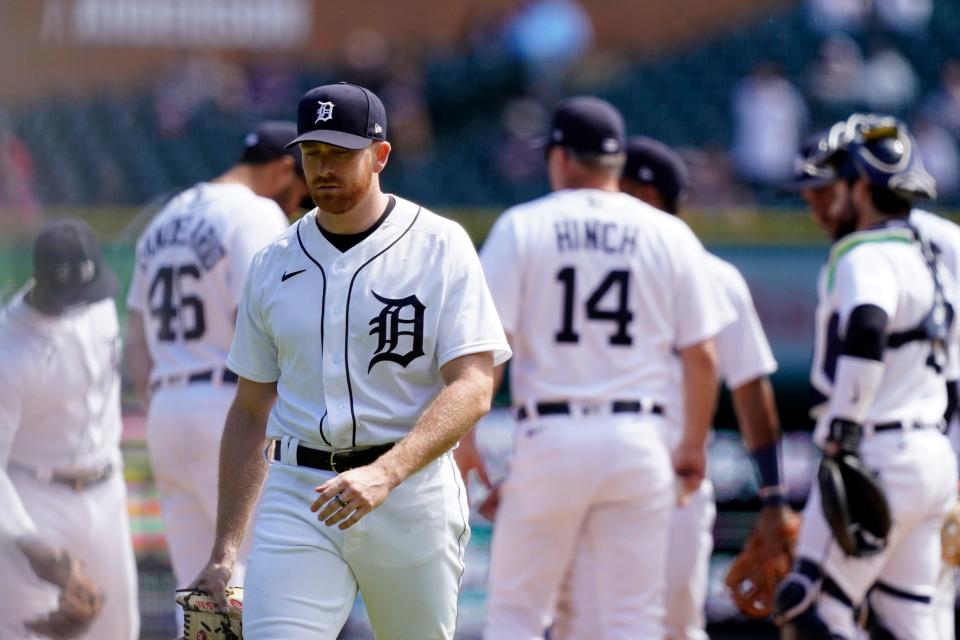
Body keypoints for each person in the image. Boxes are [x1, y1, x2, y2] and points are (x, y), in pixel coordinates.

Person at [191, 82, 511, 639]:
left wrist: (388, 471)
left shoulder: (440, 244)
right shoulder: (272, 261)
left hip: (410, 491)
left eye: (340, 153)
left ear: (380, 154)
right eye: (312, 153)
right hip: (299, 494)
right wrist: (225, 549)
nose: (323, 168)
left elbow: (474, 385)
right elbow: (248, 410)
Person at [472, 96, 729, 638]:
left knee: (516, 614)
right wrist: (690, 448)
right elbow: (702, 358)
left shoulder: (524, 225)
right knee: (633, 620)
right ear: (614, 164)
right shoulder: (669, 233)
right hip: (640, 437)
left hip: (551, 435)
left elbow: (485, 350)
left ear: (562, 157)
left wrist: (468, 446)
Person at [775, 113, 958, 639]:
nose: (817, 203)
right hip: (931, 456)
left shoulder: (864, 252)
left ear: (859, 186)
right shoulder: (930, 255)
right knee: (912, 620)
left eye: (831, 187)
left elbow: (868, 325)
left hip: (876, 452)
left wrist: (842, 433)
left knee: (809, 608)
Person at [610, 136, 794, 640]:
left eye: (612, 185)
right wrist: (775, 496)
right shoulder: (713, 274)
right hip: (657, 479)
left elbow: (752, 393)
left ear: (644, 195)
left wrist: (775, 497)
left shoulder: (713, 276)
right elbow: (753, 394)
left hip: (659, 475)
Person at [123, 120, 310, 597]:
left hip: (166, 409)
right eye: (301, 192)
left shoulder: (167, 216)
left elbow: (137, 339)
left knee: (198, 590)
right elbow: (265, 317)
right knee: (259, 578)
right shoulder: (255, 214)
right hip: (232, 409)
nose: (298, 205)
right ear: (285, 170)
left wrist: (166, 404)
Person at [0, 219, 139, 639]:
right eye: (67, 293)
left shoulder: (96, 304)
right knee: (37, 631)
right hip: (34, 496)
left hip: (107, 486)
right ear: (38, 281)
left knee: (119, 630)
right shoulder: (9, 349)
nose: (80, 301)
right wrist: (26, 540)